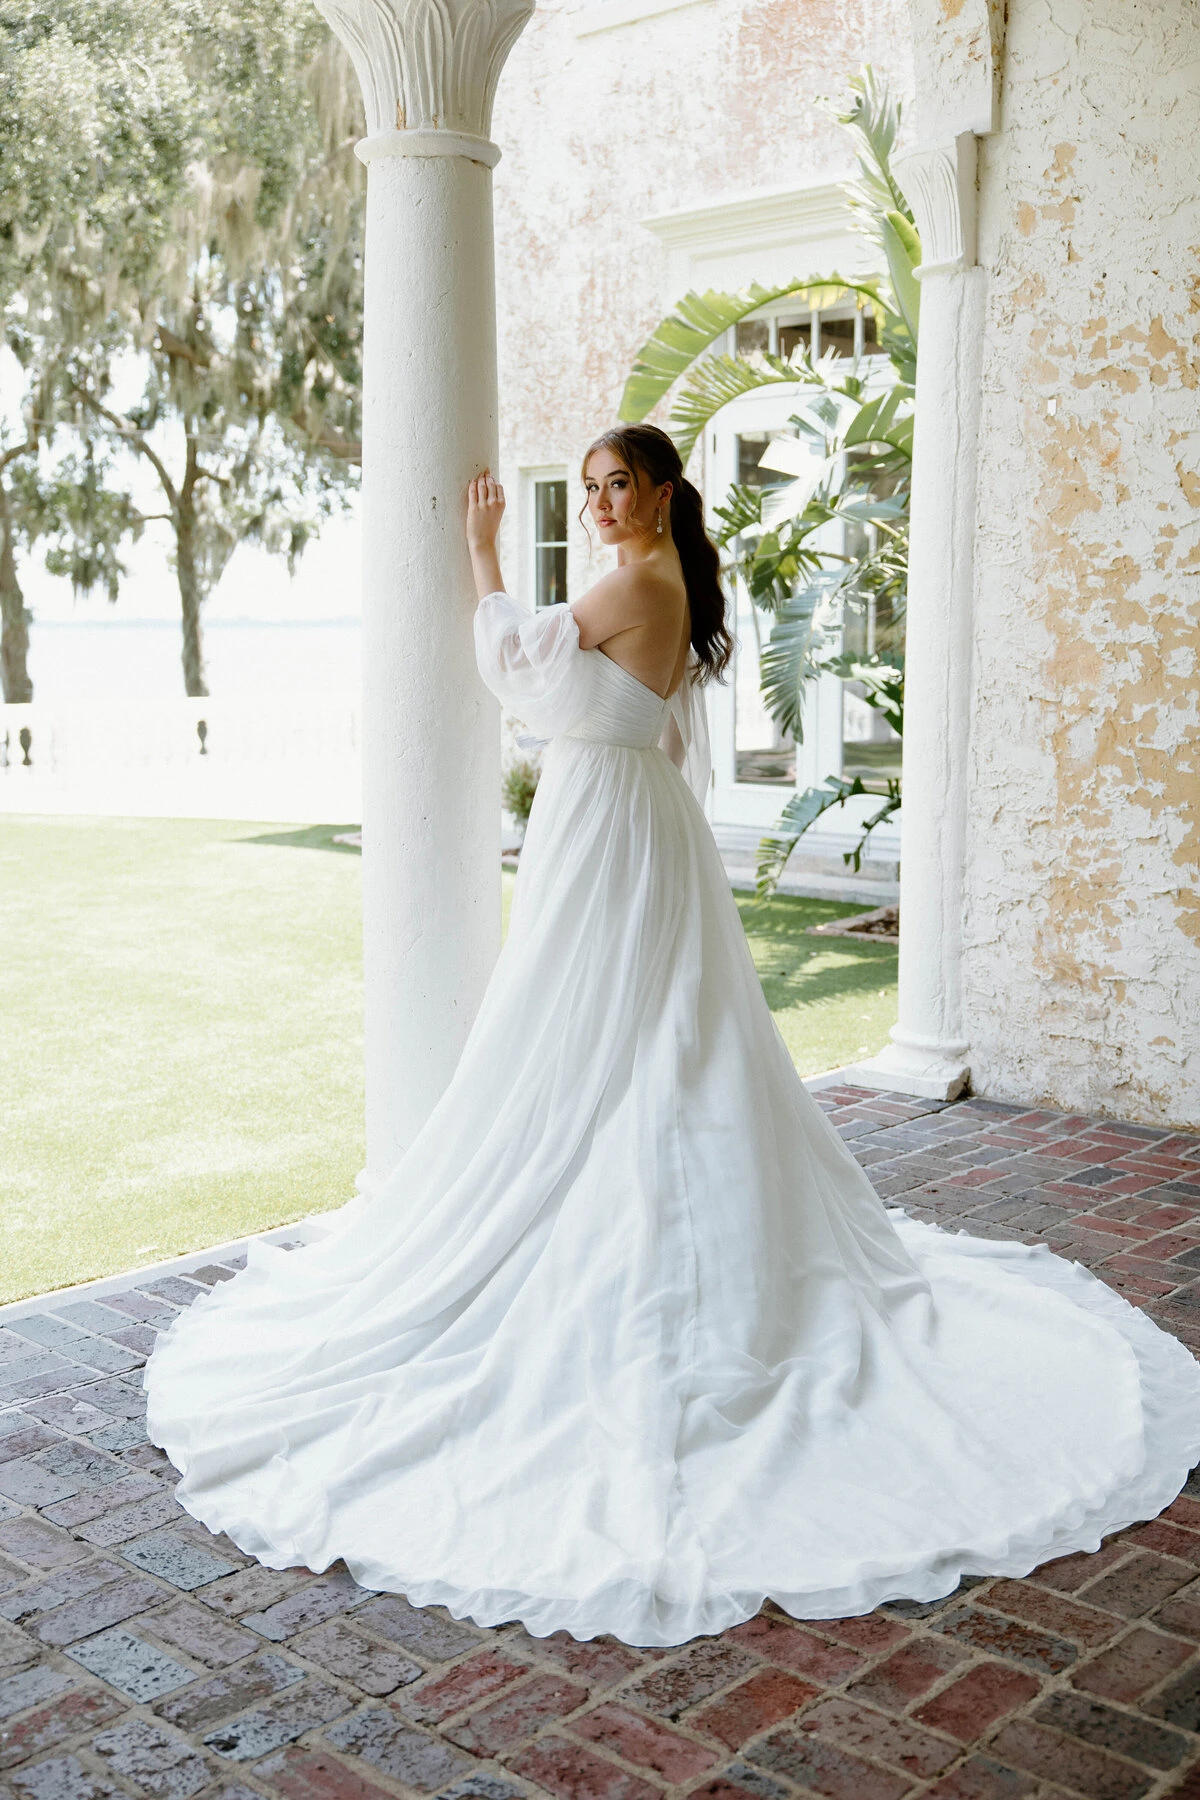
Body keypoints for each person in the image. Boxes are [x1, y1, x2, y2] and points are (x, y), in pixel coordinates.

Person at [143, 422, 1200, 1649]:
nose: (597, 502)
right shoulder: (664, 574)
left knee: (611, 1028)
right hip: (622, 816)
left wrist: (482, 557)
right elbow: (617, 705)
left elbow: (517, 669)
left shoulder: (638, 575)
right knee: (640, 1033)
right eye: (587, 488)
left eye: (615, 485)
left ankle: (627, 1233)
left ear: (658, 493)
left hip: (610, 826)